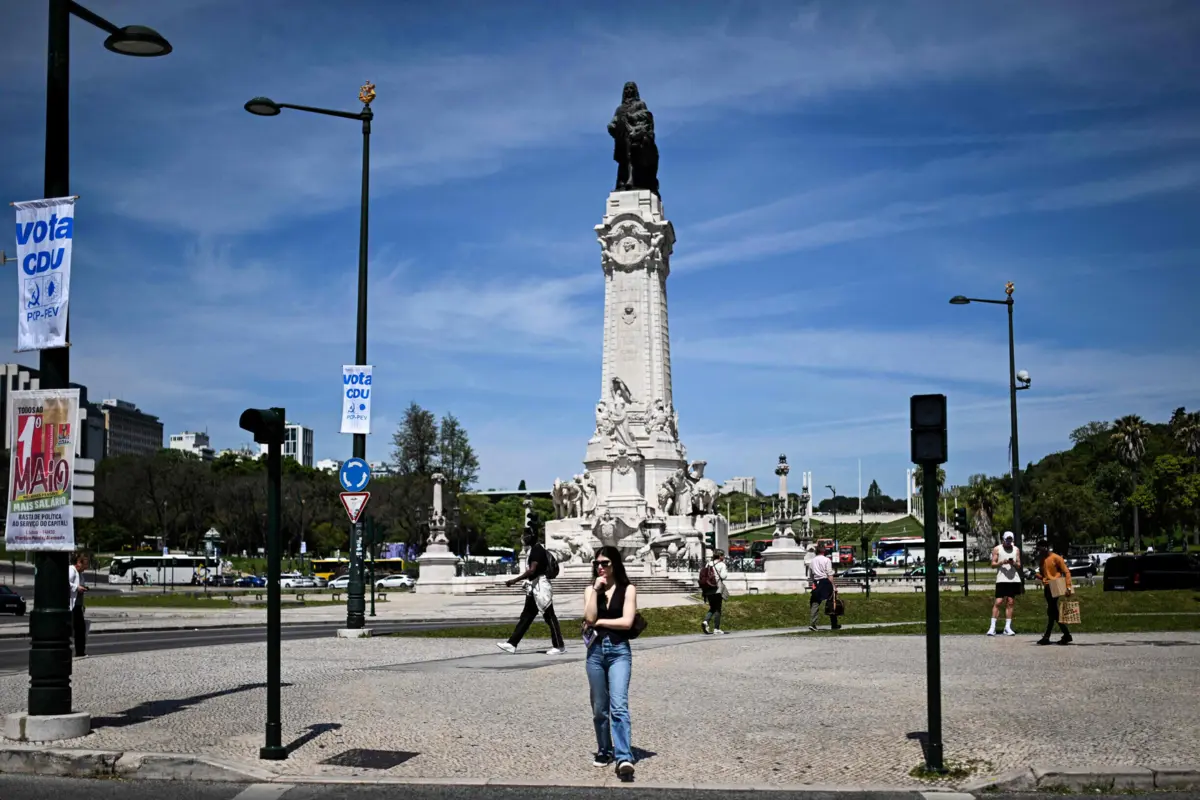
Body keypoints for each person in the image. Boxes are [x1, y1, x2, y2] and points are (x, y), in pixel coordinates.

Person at [583, 545, 638, 780]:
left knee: (618, 705)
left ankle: (624, 756)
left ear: (615, 564)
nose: (601, 567)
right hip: (595, 652)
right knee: (599, 708)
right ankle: (605, 750)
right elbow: (589, 617)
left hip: (618, 652)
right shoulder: (591, 589)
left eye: (605, 563)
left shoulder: (628, 589)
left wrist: (601, 623)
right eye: (597, 563)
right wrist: (596, 590)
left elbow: (627, 622)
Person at [497, 522, 565, 655]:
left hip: (540, 587)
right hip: (535, 587)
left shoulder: (537, 550)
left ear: (532, 536)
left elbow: (532, 570)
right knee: (526, 617)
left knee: (549, 616)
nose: (523, 537)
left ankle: (559, 646)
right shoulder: (535, 549)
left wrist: (514, 580)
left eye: (525, 535)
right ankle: (512, 644)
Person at [1035, 539, 1074, 646]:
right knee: (1052, 612)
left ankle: (1063, 635)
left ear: (1046, 547)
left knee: (1052, 611)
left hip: (1056, 584)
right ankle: (1052, 636)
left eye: (1041, 549)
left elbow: (1066, 572)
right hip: (1047, 586)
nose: (1039, 551)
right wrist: (1038, 575)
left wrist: (1068, 587)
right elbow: (1044, 574)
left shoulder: (1056, 558)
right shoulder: (1042, 560)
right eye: (1038, 549)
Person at [988, 531, 1023, 636]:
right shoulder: (997, 549)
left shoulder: (1016, 549)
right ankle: (992, 627)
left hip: (1013, 579)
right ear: (1003, 539)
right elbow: (993, 564)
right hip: (1001, 579)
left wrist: (1014, 563)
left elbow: (1019, 565)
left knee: (1010, 601)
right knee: (998, 602)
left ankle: (1007, 627)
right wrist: (1001, 562)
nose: (1009, 541)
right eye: (1007, 539)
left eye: (1010, 539)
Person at [700, 549, 730, 634]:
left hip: (708, 588)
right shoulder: (721, 564)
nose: (724, 557)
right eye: (723, 555)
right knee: (718, 609)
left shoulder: (708, 563)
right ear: (720, 556)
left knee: (712, 607)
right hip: (717, 588)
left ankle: (705, 622)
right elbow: (724, 576)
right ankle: (716, 628)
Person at [808, 544, 836, 632]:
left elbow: (811, 575)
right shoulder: (826, 560)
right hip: (825, 582)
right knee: (831, 602)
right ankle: (834, 623)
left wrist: (814, 583)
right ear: (824, 551)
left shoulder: (812, 561)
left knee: (814, 603)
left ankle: (813, 623)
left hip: (816, 582)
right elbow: (829, 574)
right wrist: (833, 586)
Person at [68, 552, 89, 659]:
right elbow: (65, 582)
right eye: (85, 565)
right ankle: (77, 651)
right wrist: (77, 587)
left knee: (81, 629)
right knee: (74, 628)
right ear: (79, 563)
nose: (86, 568)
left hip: (78, 605)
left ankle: (80, 651)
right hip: (71, 605)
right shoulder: (71, 570)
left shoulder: (80, 574)